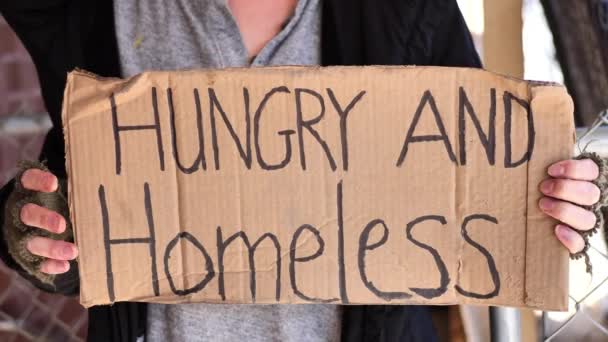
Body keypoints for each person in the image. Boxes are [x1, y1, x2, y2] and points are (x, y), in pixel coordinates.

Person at [0, 1, 605, 341]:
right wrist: (35, 231)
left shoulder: (406, 9)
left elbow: (488, 175)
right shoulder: (88, 14)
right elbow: (72, 195)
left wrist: (566, 196)